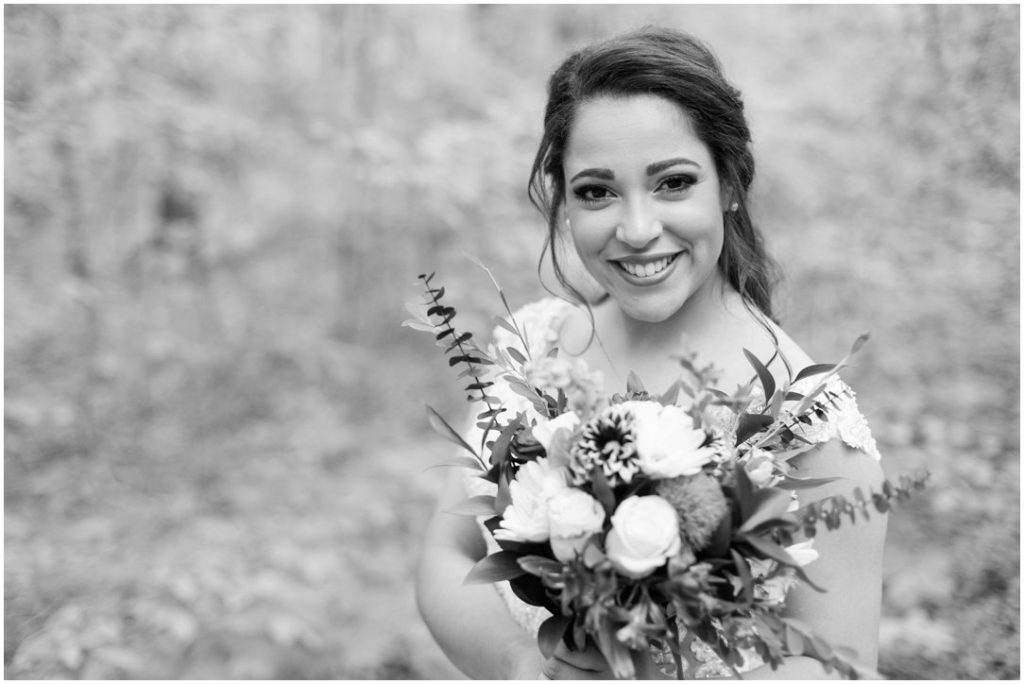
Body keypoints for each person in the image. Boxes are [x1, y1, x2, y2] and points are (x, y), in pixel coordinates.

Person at [416, 27, 886, 679]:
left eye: (673, 183)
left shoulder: (809, 425)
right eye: (596, 191)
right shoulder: (537, 348)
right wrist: (522, 665)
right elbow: (449, 550)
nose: (636, 230)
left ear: (728, 182)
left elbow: (843, 669)